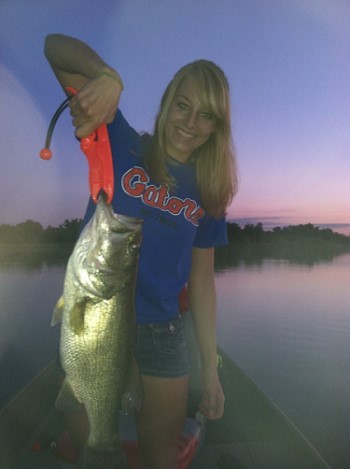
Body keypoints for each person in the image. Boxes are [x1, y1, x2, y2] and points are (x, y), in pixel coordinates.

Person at [44, 33, 238, 469]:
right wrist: (106, 76)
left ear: (217, 126)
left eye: (206, 115)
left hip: (162, 334)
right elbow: (54, 48)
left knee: (159, 460)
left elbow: (203, 281)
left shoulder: (209, 192)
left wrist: (211, 367)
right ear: (168, 100)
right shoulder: (123, 143)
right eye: (183, 105)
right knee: (93, 452)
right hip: (93, 324)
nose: (189, 123)